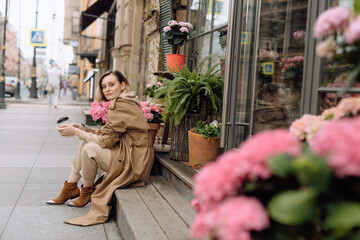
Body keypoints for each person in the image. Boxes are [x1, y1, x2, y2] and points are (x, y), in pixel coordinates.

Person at [46, 70, 154, 226]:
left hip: (134, 163)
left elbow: (107, 141)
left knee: (89, 148)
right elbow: (109, 133)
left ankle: (85, 191)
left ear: (122, 85)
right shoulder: (125, 101)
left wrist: (77, 132)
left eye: (112, 85)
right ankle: (71, 188)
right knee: (85, 143)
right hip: (132, 154)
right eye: (104, 86)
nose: (107, 89)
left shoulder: (121, 104)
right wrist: (83, 128)